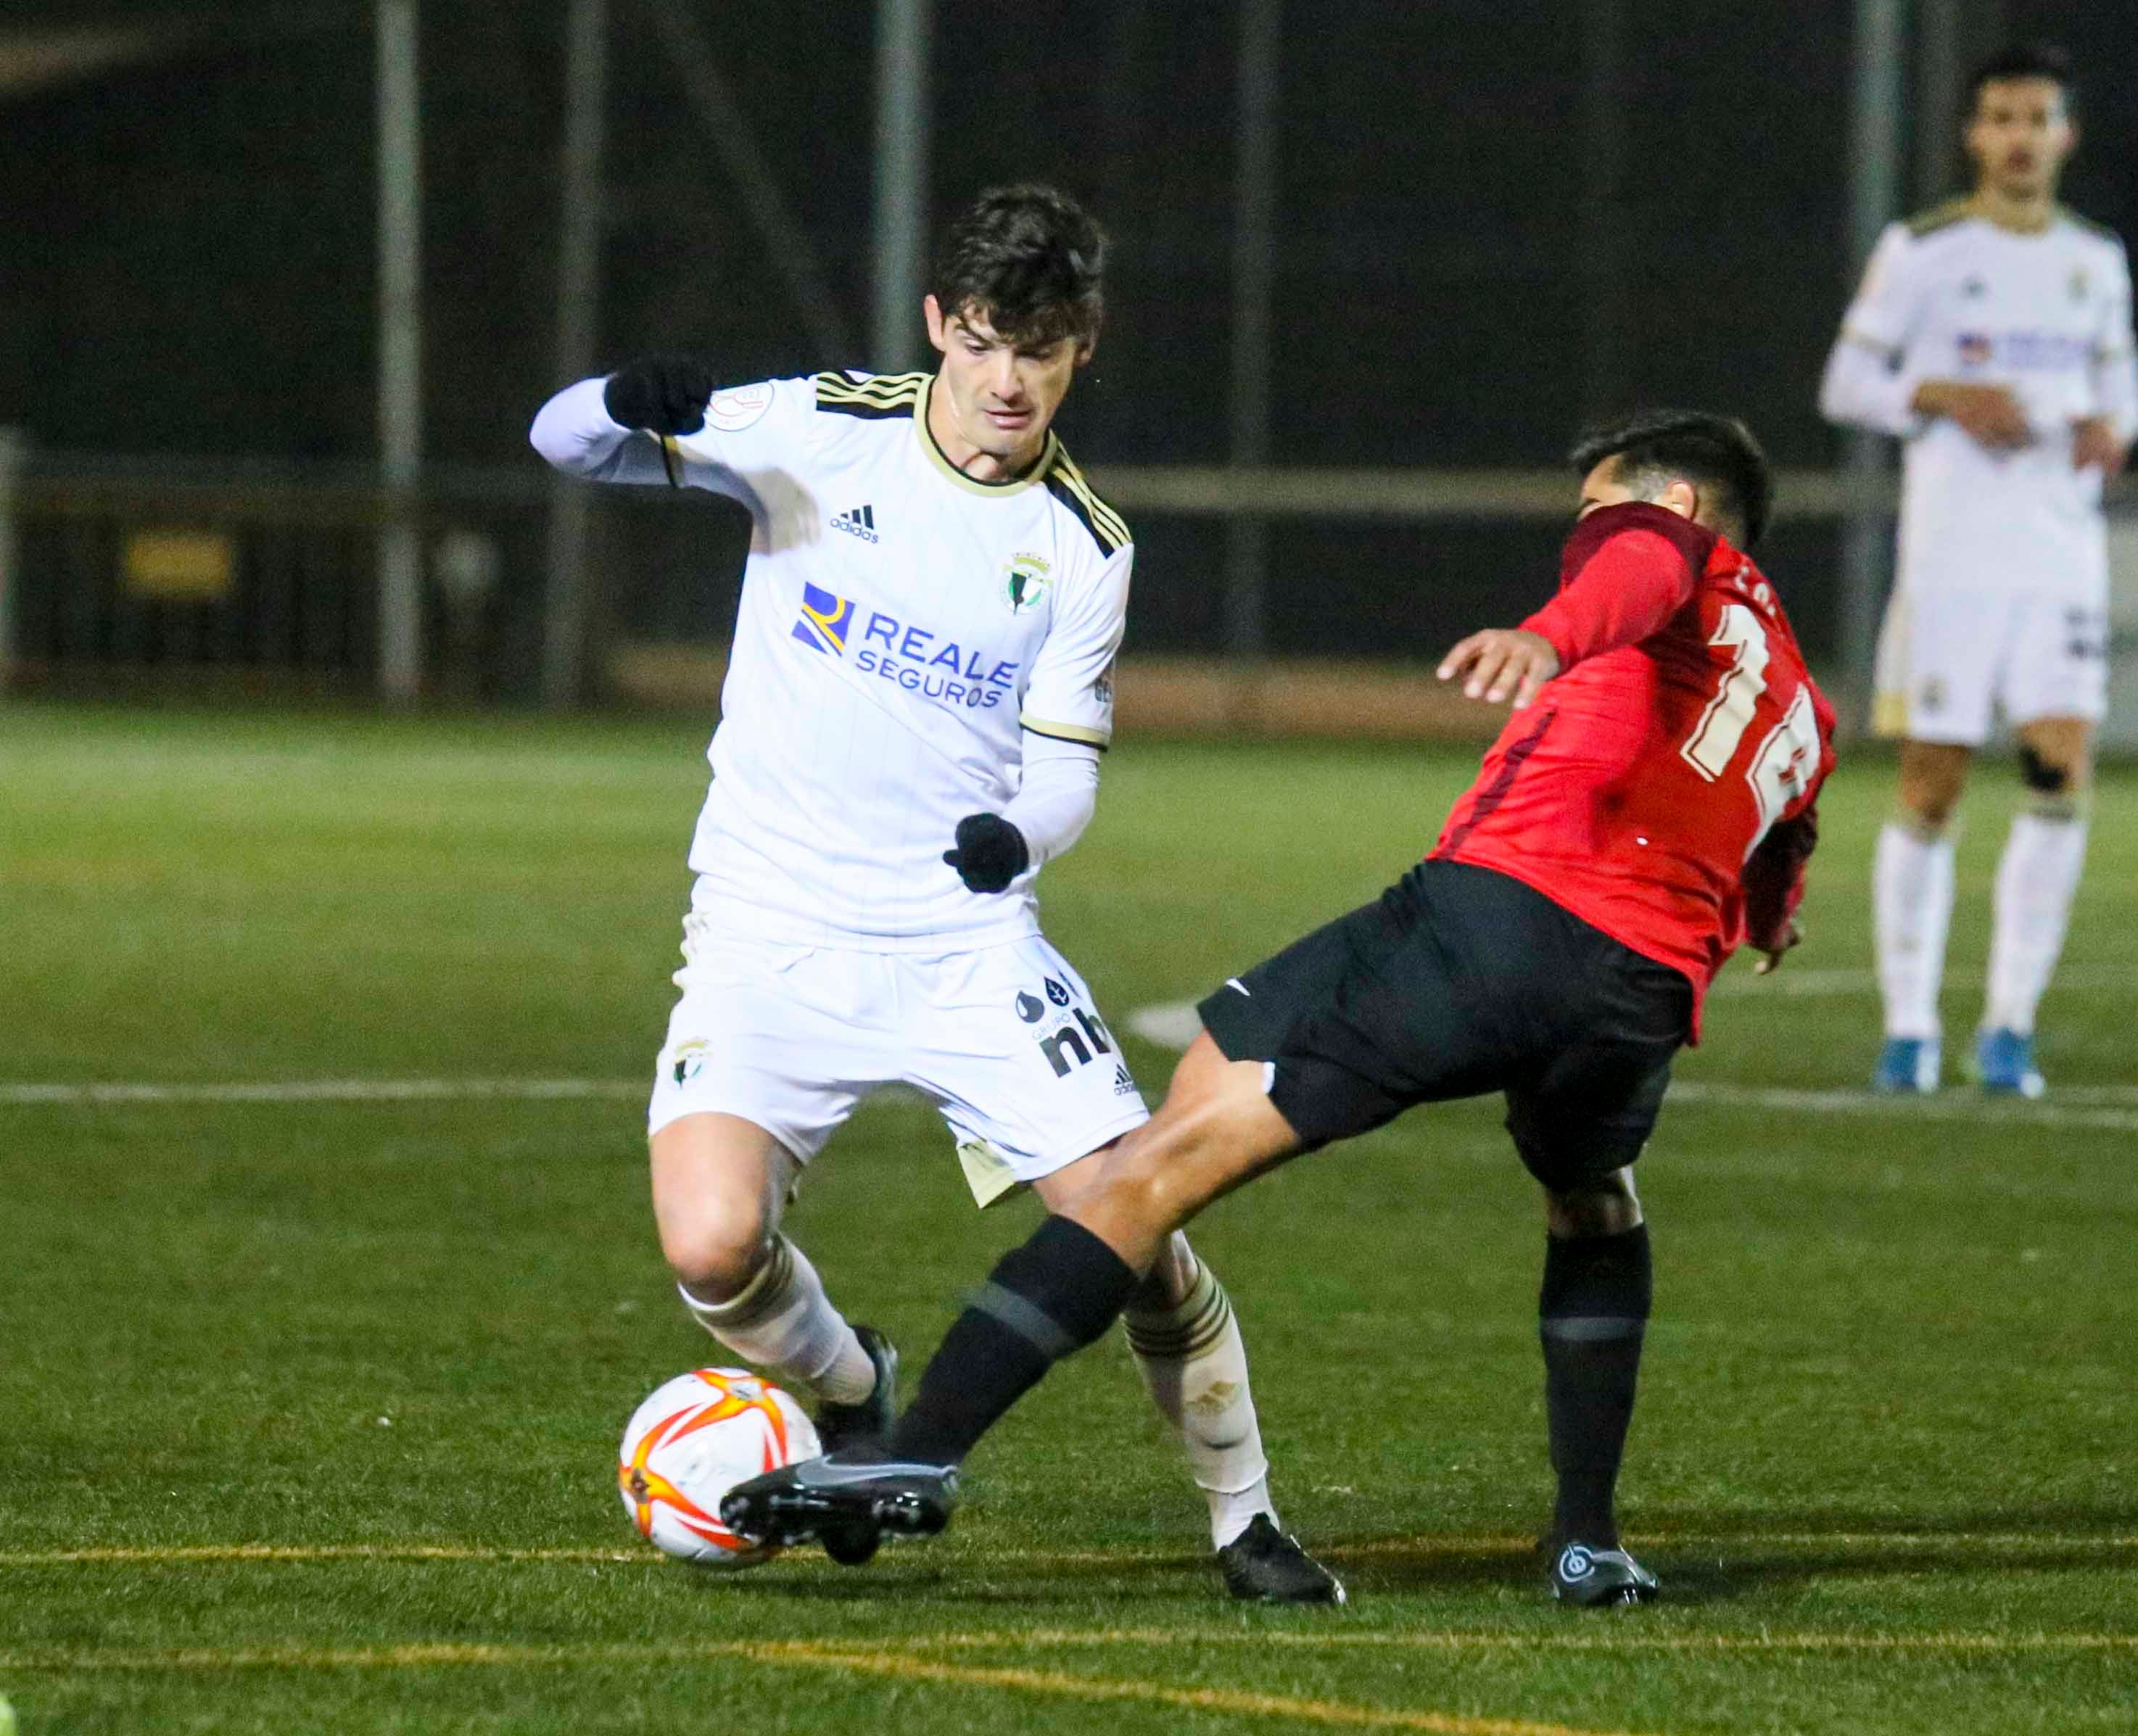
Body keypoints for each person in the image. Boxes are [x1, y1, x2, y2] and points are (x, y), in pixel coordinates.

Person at [723, 410, 1838, 1608]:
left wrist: (1549, 633)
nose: (1584, 533)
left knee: (1162, 1159)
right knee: (1595, 1200)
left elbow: (1638, 568)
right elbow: (1784, 842)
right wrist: (1772, 920)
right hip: (1643, 994)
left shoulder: (1667, 547)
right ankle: (1587, 1539)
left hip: (1500, 922)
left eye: (1595, 511)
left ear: (1674, 504)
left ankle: (921, 1443)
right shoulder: (1802, 699)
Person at [529, 183, 1340, 1603]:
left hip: (961, 944)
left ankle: (1245, 1518)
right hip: (769, 923)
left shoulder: (1085, 547)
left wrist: (1012, 843)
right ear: (935, 330)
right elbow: (562, 441)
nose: (1006, 380)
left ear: (1083, 346)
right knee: (711, 1245)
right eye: (980, 342)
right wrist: (617, 397)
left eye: (1038, 348)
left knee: (1136, 1220)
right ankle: (853, 1393)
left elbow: (1067, 769)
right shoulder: (816, 428)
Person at [1820, 41, 2136, 1099]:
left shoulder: (2097, 259)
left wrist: (2112, 430)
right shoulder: (1922, 250)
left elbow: (2120, 391)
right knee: (1932, 783)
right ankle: (1910, 1027)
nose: (2019, 137)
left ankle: (2010, 1027)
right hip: (1952, 563)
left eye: (2038, 119)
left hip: (2061, 562)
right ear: (1973, 134)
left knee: (2060, 773)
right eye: (2001, 117)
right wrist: (1949, 395)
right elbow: (1848, 381)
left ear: (2066, 136)